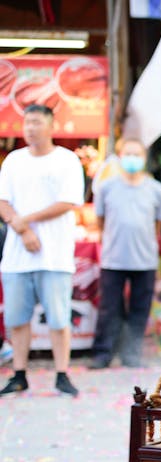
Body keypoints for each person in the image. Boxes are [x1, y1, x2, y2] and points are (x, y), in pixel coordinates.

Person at [0, 104, 84, 396]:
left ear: (50, 125)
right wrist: (21, 228)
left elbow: (68, 201)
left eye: (37, 122)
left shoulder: (67, 160)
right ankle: (19, 374)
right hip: (16, 256)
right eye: (27, 122)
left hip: (55, 255)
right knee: (17, 319)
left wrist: (28, 221)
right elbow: (3, 201)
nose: (31, 128)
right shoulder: (13, 160)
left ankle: (62, 373)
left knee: (59, 319)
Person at [89, 138, 161, 369]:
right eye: (128, 154)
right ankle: (103, 353)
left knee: (139, 309)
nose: (132, 159)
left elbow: (158, 224)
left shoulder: (156, 189)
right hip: (113, 258)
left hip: (145, 259)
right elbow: (100, 220)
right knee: (109, 308)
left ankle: (131, 353)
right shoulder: (106, 186)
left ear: (144, 159)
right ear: (120, 157)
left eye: (137, 154)